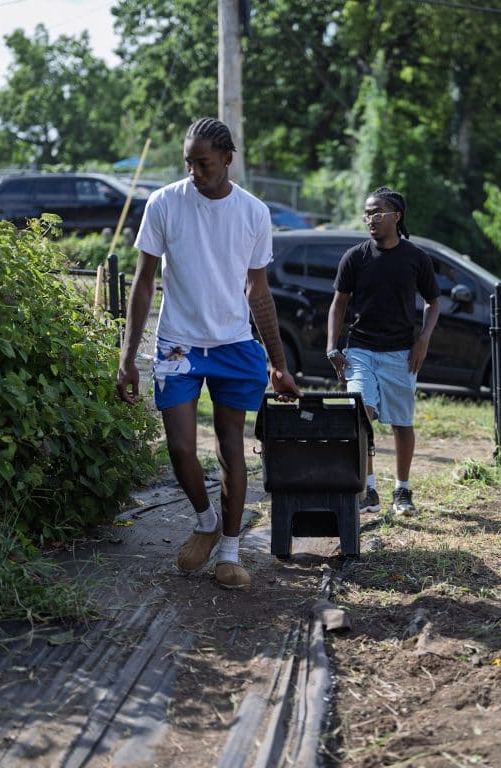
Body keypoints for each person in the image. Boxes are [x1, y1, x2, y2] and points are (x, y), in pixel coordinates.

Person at [117, 117, 299, 590]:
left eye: (204, 163)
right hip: (177, 341)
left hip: (234, 344)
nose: (195, 172)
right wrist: (127, 356)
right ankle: (206, 521)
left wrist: (278, 363)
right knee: (180, 448)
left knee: (230, 446)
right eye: (189, 163)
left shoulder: (254, 212)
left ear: (226, 159)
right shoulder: (164, 203)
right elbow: (143, 283)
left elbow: (258, 291)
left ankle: (231, 552)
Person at [326, 187, 440, 516]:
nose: (371, 220)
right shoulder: (355, 257)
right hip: (360, 350)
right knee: (360, 414)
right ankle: (369, 489)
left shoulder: (416, 258)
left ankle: (402, 490)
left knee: (402, 423)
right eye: (367, 214)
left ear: (396, 216)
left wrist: (423, 339)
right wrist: (332, 346)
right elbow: (338, 303)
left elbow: (433, 303)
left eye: (377, 213)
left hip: (401, 354)